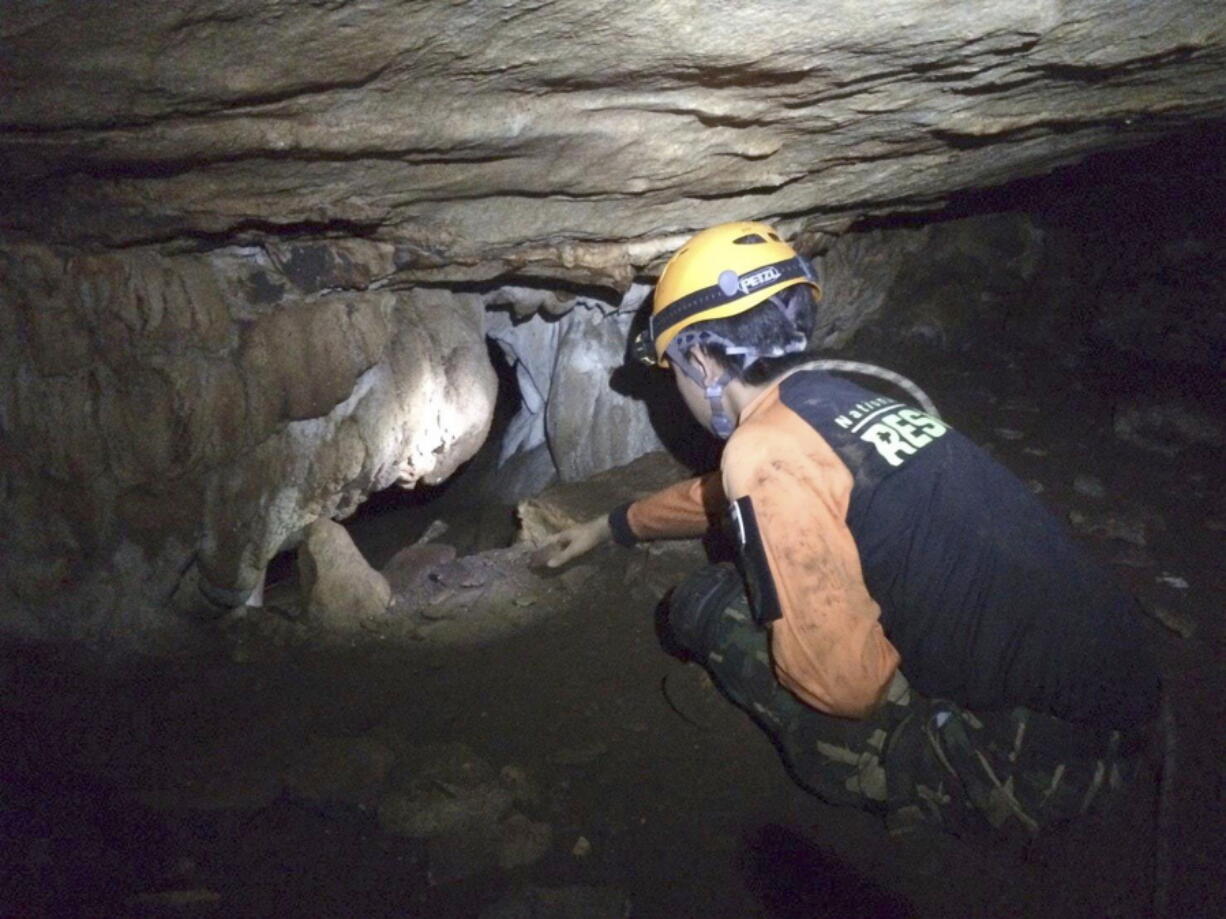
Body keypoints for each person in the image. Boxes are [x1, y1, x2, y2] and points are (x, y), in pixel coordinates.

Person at [534, 220, 1161, 843]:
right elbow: (738, 492)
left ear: (699, 359)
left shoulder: (762, 449)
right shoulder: (836, 396)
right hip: (1127, 681)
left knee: (704, 606)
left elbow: (845, 689)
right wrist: (615, 525)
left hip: (1050, 755)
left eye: (672, 366)